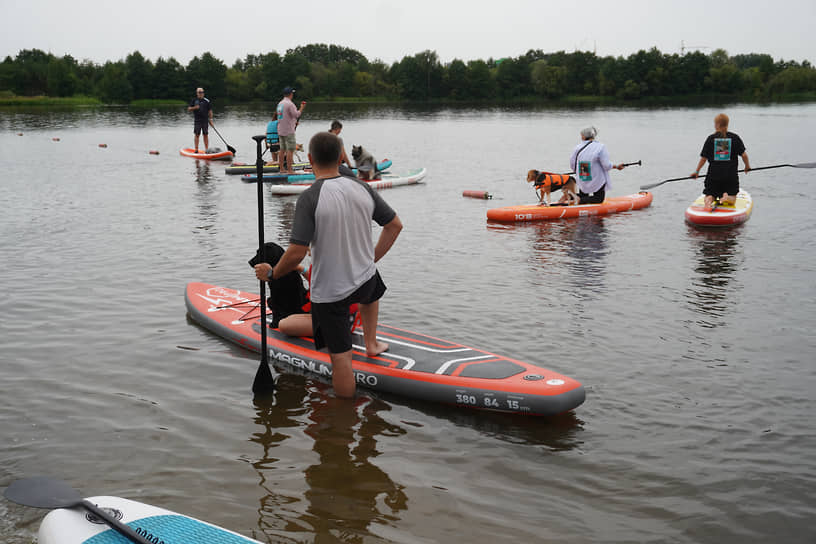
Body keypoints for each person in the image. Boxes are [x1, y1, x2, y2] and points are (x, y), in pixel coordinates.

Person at [254, 132, 403, 398]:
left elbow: (297, 253)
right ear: (340, 158)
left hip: (332, 294)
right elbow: (394, 226)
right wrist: (369, 259)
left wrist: (273, 273)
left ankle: (342, 427)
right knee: (372, 290)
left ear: (310, 159)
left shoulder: (310, 198)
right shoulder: (362, 187)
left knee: (342, 360)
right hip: (366, 280)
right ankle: (371, 343)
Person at [691, 113, 751, 209]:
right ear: (727, 124)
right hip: (730, 176)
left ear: (717, 124)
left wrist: (697, 172)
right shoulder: (735, 138)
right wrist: (747, 166)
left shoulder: (710, 139)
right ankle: (726, 198)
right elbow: (744, 155)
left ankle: (708, 202)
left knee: (710, 195)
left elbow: (703, 158)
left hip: (713, 175)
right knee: (732, 198)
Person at [566, 126, 625, 204]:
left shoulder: (577, 147)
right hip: (597, 178)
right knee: (599, 199)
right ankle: (579, 199)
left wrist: (576, 171)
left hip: (582, 176)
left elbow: (572, 164)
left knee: (583, 195)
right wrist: (616, 167)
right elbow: (606, 165)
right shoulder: (600, 147)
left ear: (583, 136)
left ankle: (570, 196)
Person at [276, 86, 306, 174]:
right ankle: (290, 170)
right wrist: (302, 107)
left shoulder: (280, 103)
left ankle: (281, 169)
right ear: (290, 94)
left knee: (282, 150)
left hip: (280, 130)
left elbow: (285, 116)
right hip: (288, 131)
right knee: (290, 150)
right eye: (292, 93)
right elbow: (296, 115)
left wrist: (293, 122)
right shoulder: (290, 104)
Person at [187, 87, 213, 152]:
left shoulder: (207, 101)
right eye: (199, 92)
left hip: (205, 120)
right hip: (197, 120)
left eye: (202, 92)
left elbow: (210, 111)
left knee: (205, 134)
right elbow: (189, 109)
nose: (201, 93)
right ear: (197, 93)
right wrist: (195, 108)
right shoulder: (194, 100)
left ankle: (206, 149)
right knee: (197, 134)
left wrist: (211, 120)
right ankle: (196, 149)